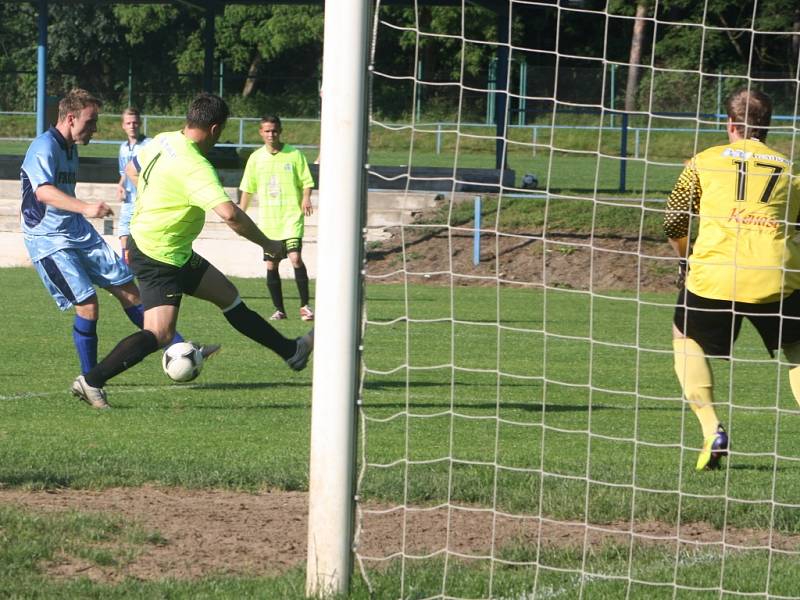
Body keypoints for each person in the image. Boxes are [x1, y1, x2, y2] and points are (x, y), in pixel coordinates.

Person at [71, 93, 313, 409]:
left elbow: (132, 169)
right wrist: (269, 244)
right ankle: (91, 381)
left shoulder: (164, 140)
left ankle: (291, 351)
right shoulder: (196, 167)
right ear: (215, 128)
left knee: (228, 295)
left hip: (169, 248)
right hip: (162, 255)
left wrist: (154, 198)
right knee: (159, 332)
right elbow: (231, 215)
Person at [20, 88, 210, 405]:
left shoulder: (69, 148)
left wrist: (82, 213)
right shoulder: (44, 147)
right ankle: (90, 381)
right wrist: (85, 207)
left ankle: (179, 348)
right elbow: (43, 193)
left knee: (129, 291)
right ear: (70, 118)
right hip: (49, 239)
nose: (95, 128)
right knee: (88, 304)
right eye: (91, 121)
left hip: (77, 232)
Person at [664, 87, 800, 471]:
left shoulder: (701, 162)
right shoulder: (789, 170)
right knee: (798, 349)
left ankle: (712, 430)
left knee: (684, 336)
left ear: (729, 125)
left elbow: (674, 219)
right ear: (769, 127)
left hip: (714, 274)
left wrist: (684, 256)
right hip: (776, 275)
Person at [239, 115, 315, 322]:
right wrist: (240, 213)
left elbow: (307, 181)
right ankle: (279, 310)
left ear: (280, 131)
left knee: (295, 258)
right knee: (271, 266)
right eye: (267, 131)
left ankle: (305, 306)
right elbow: (247, 188)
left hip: (291, 218)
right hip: (269, 222)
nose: (271, 134)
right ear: (261, 133)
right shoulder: (255, 158)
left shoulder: (294, 154)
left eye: (274, 130)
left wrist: (306, 198)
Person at [116, 107, 149, 264]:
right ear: (123, 126)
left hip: (144, 200)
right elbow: (124, 171)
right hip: (128, 199)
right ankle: (126, 265)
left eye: (135, 122)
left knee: (143, 234)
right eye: (128, 123)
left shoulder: (149, 145)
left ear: (140, 123)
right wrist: (120, 185)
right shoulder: (123, 148)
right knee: (123, 230)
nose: (132, 126)